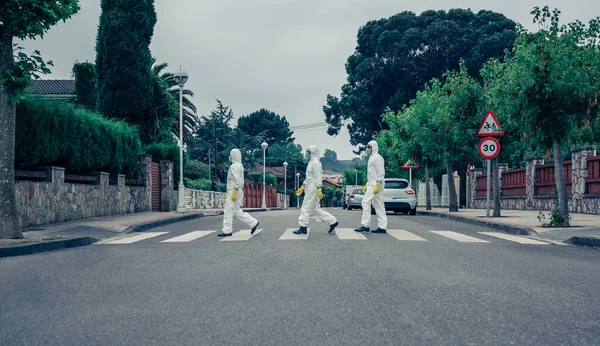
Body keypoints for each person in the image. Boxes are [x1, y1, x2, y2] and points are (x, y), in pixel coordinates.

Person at [294, 145, 339, 235]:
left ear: (313, 152)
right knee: (315, 209)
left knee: (305, 206)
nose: (307, 154)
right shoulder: (311, 162)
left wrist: (319, 188)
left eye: (308, 152)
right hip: (309, 186)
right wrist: (303, 186)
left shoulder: (315, 163)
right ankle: (332, 221)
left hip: (313, 187)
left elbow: (318, 177)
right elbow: (309, 177)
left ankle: (303, 226)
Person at [218, 148, 260, 237]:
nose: (230, 156)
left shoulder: (233, 166)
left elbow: (237, 180)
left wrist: (233, 191)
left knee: (228, 211)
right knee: (236, 210)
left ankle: (227, 231)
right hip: (238, 190)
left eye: (231, 155)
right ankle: (253, 222)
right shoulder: (240, 165)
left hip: (234, 190)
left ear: (233, 156)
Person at [355, 140, 387, 234]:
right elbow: (372, 173)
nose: (367, 149)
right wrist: (367, 184)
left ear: (374, 147)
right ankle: (382, 227)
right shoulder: (372, 157)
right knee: (379, 205)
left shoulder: (376, 157)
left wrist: (377, 183)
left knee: (365, 202)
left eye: (369, 147)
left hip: (376, 184)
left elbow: (380, 172)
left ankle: (365, 225)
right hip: (373, 183)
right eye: (367, 147)